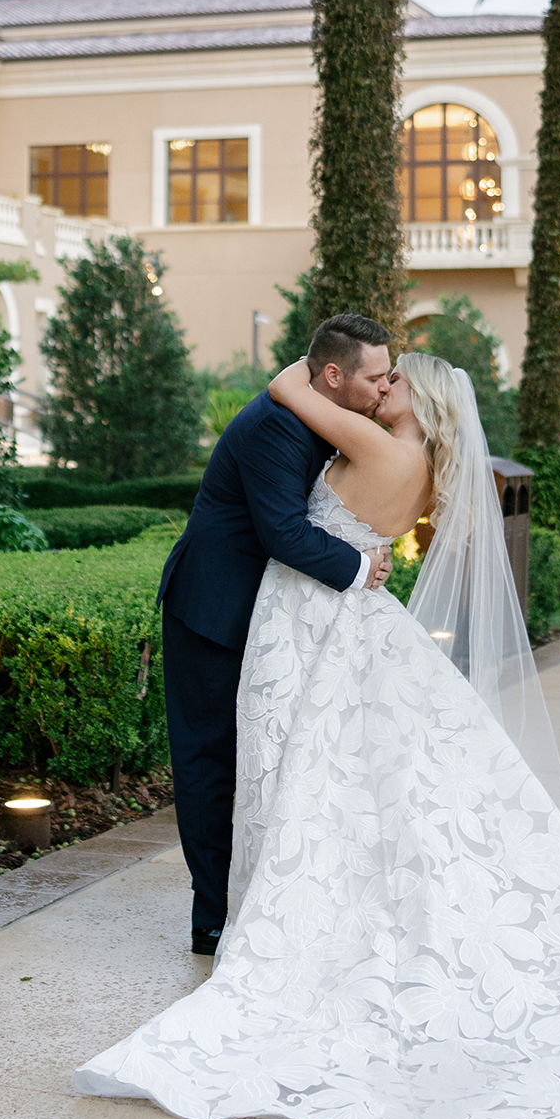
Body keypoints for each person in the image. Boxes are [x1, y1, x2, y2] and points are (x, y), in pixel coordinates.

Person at [75, 345, 560, 1119]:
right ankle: (273, 902)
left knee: (301, 765)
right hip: (350, 614)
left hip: (311, 614)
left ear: (421, 399)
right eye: (380, 375)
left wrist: (318, 369)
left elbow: (284, 390)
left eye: (396, 379)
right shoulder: (423, 465)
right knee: (355, 770)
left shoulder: (376, 444)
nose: (385, 386)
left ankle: (266, 913)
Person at [155, 313, 395, 955]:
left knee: (273, 760)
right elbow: (283, 532)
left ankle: (263, 896)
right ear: (334, 374)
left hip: (274, 622)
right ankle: (212, 917)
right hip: (212, 611)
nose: (384, 387)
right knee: (210, 761)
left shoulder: (321, 415)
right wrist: (361, 565)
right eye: (375, 377)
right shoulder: (278, 426)